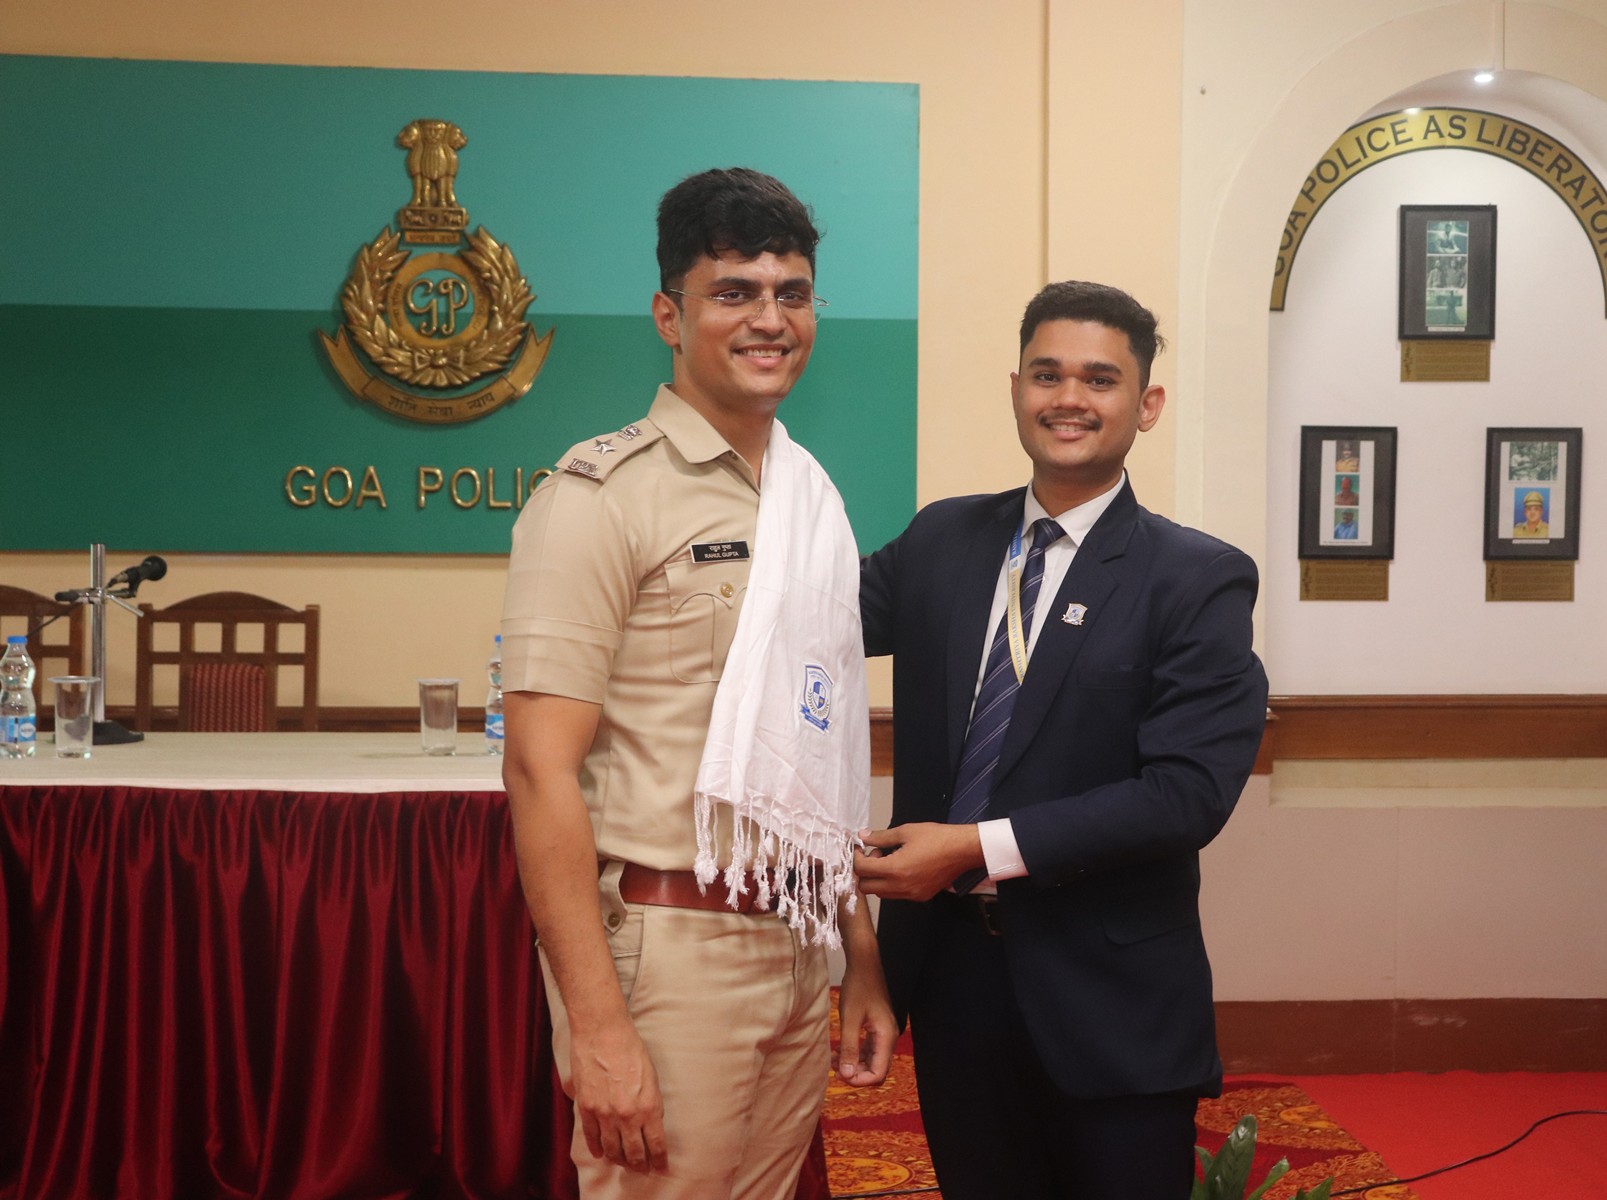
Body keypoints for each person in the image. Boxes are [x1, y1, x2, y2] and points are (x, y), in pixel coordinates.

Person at [501, 167, 895, 1200]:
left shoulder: (808, 495)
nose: (770, 319)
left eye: (792, 293)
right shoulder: (598, 497)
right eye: (735, 293)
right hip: (671, 948)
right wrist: (599, 1029)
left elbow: (818, 758)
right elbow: (539, 773)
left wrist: (858, 953)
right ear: (669, 316)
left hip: (797, 945)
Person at [855, 281, 1268, 1200]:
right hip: (952, 979)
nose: (1068, 398)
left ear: (1146, 404)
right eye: (1046, 375)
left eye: (1099, 379)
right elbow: (804, 627)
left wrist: (975, 847)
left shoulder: (1195, 578)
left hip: (1110, 997)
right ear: (1015, 390)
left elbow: (1186, 795)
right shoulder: (941, 538)